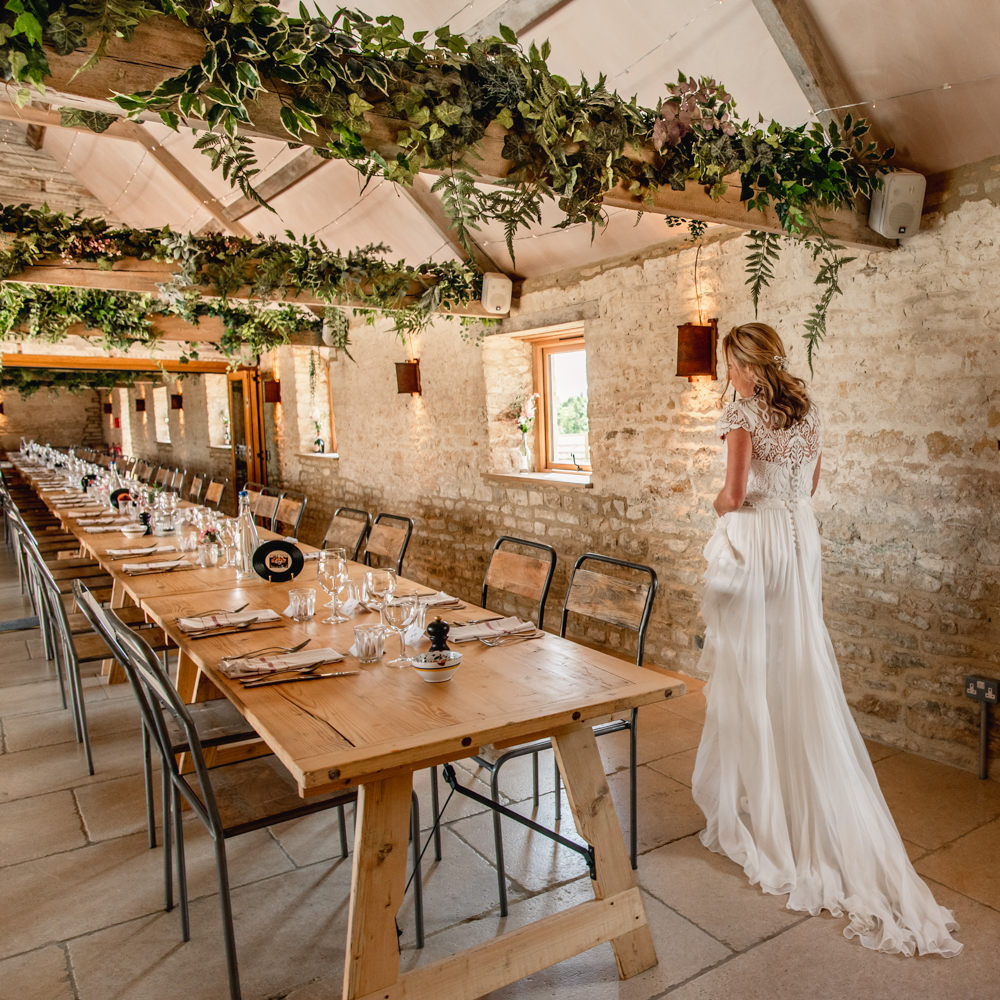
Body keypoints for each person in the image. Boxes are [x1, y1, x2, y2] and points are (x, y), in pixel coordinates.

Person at [691, 322, 962, 957]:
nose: (729, 375)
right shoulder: (808, 411)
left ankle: (769, 801)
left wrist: (716, 504)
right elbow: (808, 488)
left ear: (749, 367)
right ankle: (796, 786)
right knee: (797, 662)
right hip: (799, 543)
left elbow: (733, 495)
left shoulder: (741, 412)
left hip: (760, 544)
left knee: (753, 667)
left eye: (731, 364)